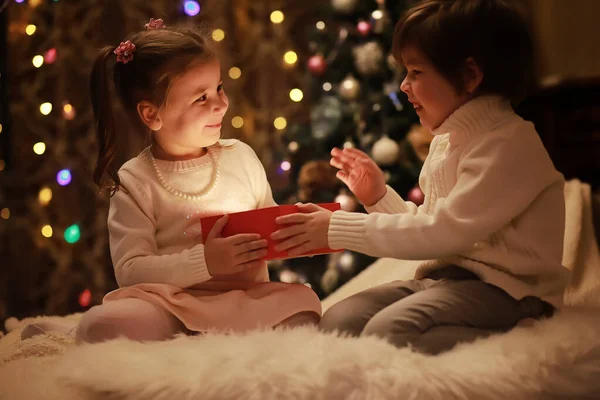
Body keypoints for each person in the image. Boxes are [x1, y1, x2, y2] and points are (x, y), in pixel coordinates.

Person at [271, 0, 569, 354]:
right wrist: (377, 196)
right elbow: (432, 228)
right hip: (448, 281)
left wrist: (336, 228)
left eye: (416, 72)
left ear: (470, 76)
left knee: (389, 333)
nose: (404, 86)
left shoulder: (508, 144)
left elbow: (443, 232)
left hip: (511, 291)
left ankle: (522, 335)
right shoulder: (448, 141)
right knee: (338, 323)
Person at [22, 18, 320, 344]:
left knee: (304, 304)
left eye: (218, 88)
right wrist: (205, 262)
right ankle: (69, 333)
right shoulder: (135, 181)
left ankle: (212, 338)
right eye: (201, 98)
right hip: (171, 305)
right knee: (101, 325)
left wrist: (295, 233)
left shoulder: (241, 157)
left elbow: (270, 224)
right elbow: (131, 270)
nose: (221, 104)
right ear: (152, 115)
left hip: (245, 298)